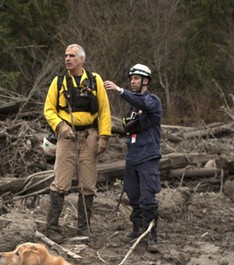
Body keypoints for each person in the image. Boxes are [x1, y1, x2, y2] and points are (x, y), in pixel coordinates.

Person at [43, 44, 112, 241]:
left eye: (72, 56)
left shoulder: (94, 80)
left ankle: (84, 228)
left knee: (88, 184)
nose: (68, 59)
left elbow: (105, 110)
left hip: (89, 137)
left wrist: (104, 137)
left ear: (81, 59)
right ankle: (52, 228)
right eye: (66, 55)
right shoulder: (58, 82)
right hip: (66, 138)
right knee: (61, 182)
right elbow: (48, 109)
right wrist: (61, 127)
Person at [104, 64, 163, 253]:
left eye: (136, 78)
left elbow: (143, 104)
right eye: (131, 79)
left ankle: (151, 235)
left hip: (148, 157)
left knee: (148, 197)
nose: (132, 81)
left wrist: (120, 90)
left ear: (146, 81)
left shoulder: (153, 101)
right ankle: (137, 229)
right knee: (133, 195)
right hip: (132, 157)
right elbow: (128, 124)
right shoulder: (132, 106)